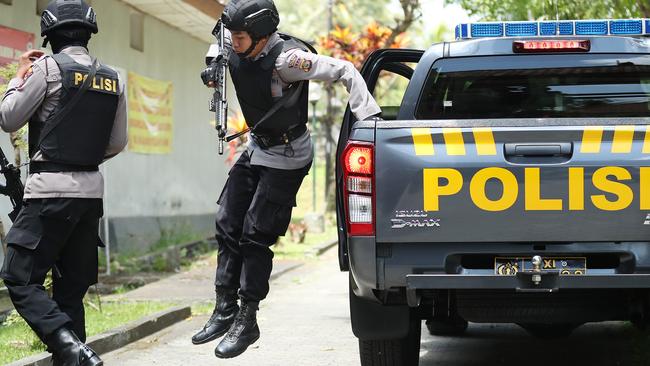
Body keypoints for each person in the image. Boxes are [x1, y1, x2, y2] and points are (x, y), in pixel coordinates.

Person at [191, 0, 382, 359]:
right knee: (227, 223)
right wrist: (212, 64)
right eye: (232, 35)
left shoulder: (288, 61)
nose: (234, 41)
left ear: (261, 37)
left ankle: (248, 318)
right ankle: (224, 308)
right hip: (257, 147)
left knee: (254, 234)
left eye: (241, 37)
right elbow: (218, 42)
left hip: (288, 155)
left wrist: (369, 118)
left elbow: (344, 70)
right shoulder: (234, 41)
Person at [0, 0, 127, 365]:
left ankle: (68, 346)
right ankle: (78, 353)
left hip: (49, 194)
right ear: (89, 34)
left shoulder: (47, 69)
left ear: (50, 35)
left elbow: (9, 118)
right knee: (70, 291)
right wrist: (83, 162)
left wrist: (18, 76)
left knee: (20, 278)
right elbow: (117, 142)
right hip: (90, 196)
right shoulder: (114, 77)